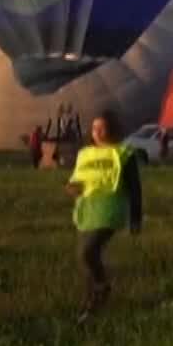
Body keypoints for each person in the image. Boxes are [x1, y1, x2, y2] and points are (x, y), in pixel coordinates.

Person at [65, 108, 143, 322]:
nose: (97, 132)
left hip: (110, 210)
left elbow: (135, 188)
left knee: (87, 253)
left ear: (112, 130)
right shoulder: (85, 154)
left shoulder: (123, 154)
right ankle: (90, 303)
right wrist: (72, 187)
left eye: (102, 128)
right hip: (88, 210)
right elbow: (78, 179)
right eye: (94, 128)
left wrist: (136, 218)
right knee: (85, 257)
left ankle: (102, 287)